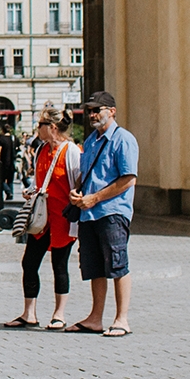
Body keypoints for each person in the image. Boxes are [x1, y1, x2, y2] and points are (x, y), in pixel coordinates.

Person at [66, 91, 139, 337]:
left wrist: (95, 198)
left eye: (97, 110)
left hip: (112, 212)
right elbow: (86, 174)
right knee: (94, 267)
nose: (92, 114)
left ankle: (122, 319)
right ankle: (95, 318)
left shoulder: (123, 139)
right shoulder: (90, 141)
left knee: (117, 264)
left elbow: (128, 179)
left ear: (112, 111)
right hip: (88, 214)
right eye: (89, 111)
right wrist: (77, 192)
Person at [5, 106, 80, 330]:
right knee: (29, 262)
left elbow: (78, 182)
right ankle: (29, 313)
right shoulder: (41, 150)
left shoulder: (71, 151)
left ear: (53, 128)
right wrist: (33, 191)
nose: (38, 128)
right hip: (42, 218)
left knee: (59, 265)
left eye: (41, 125)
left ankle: (59, 314)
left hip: (63, 218)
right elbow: (41, 181)